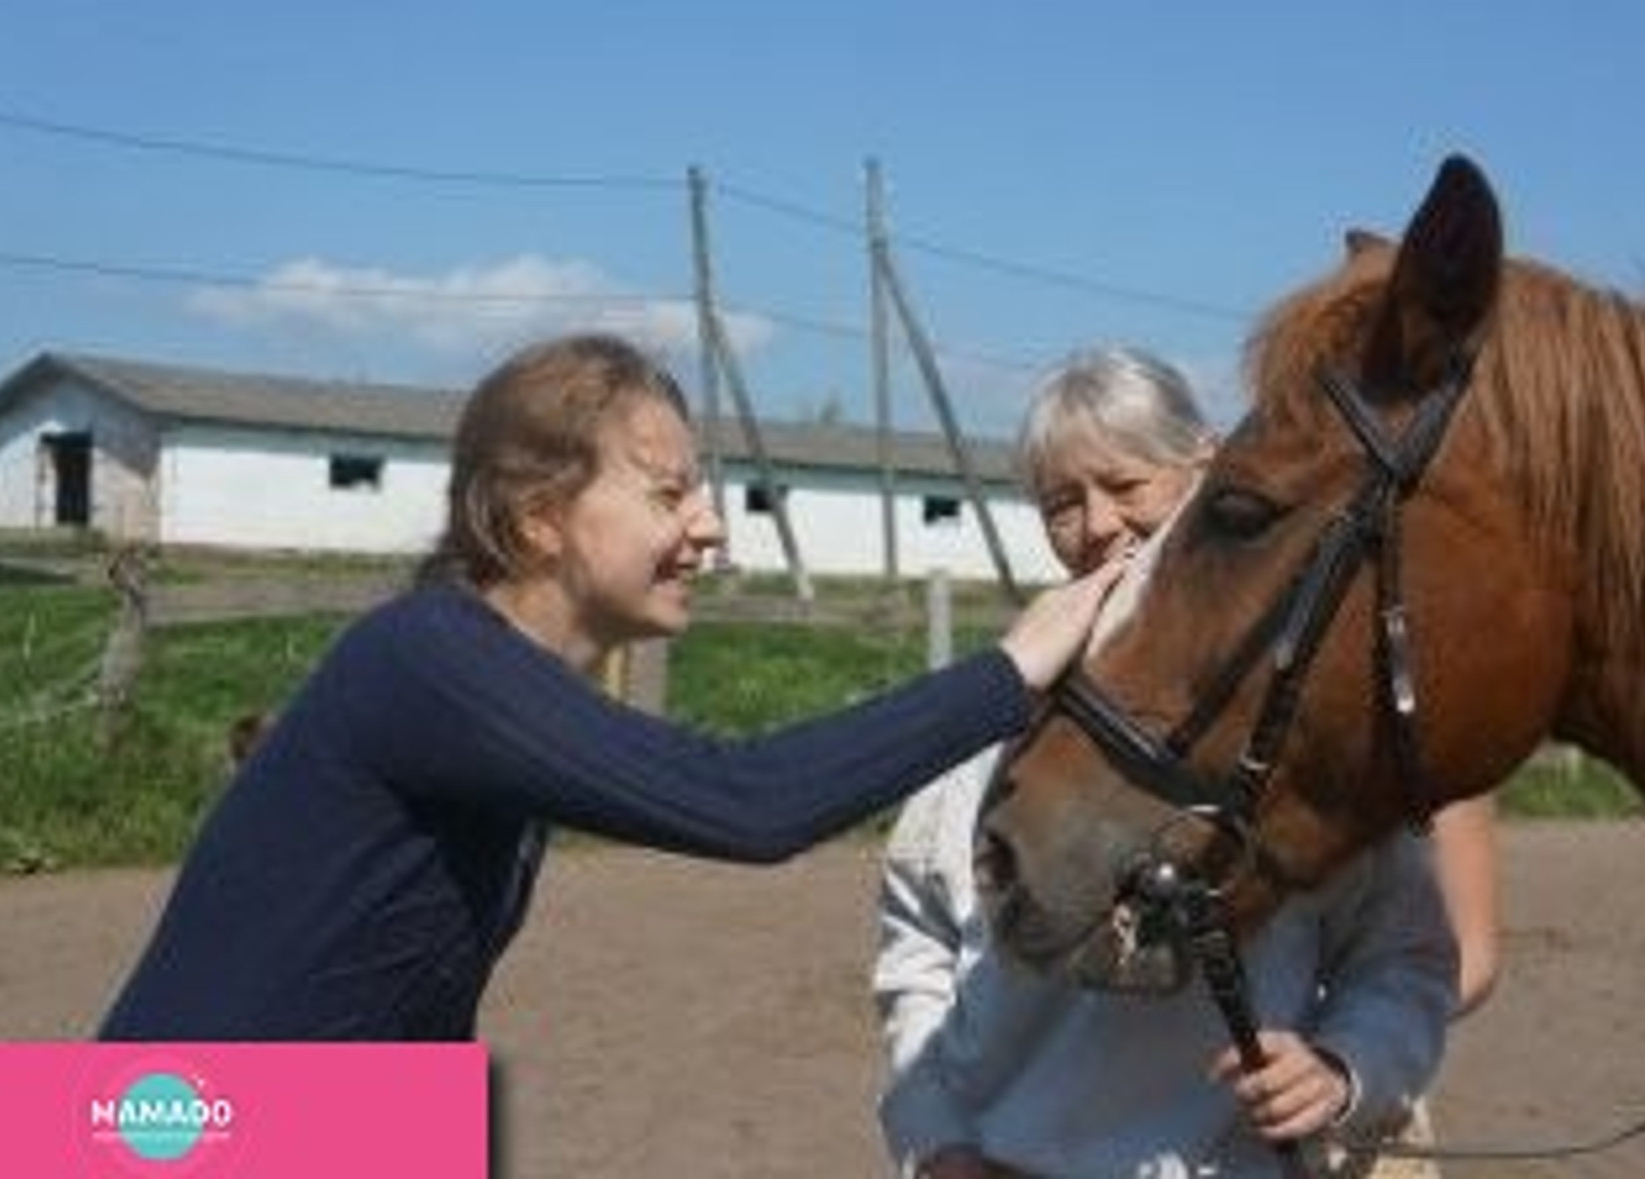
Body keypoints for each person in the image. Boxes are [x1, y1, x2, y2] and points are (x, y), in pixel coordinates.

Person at [100, 332, 1125, 1041]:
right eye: (668, 493)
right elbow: (749, 801)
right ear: (537, 514)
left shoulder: (482, 684)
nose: (710, 525)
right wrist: (1010, 669)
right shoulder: (427, 660)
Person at [874, 345, 1490, 1178]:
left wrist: (1346, 1068)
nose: (1095, 526)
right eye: (1061, 503)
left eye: (1126, 486)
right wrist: (936, 1132)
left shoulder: (1296, 727)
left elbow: (1407, 956)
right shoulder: (988, 722)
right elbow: (920, 940)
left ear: (1206, 472)